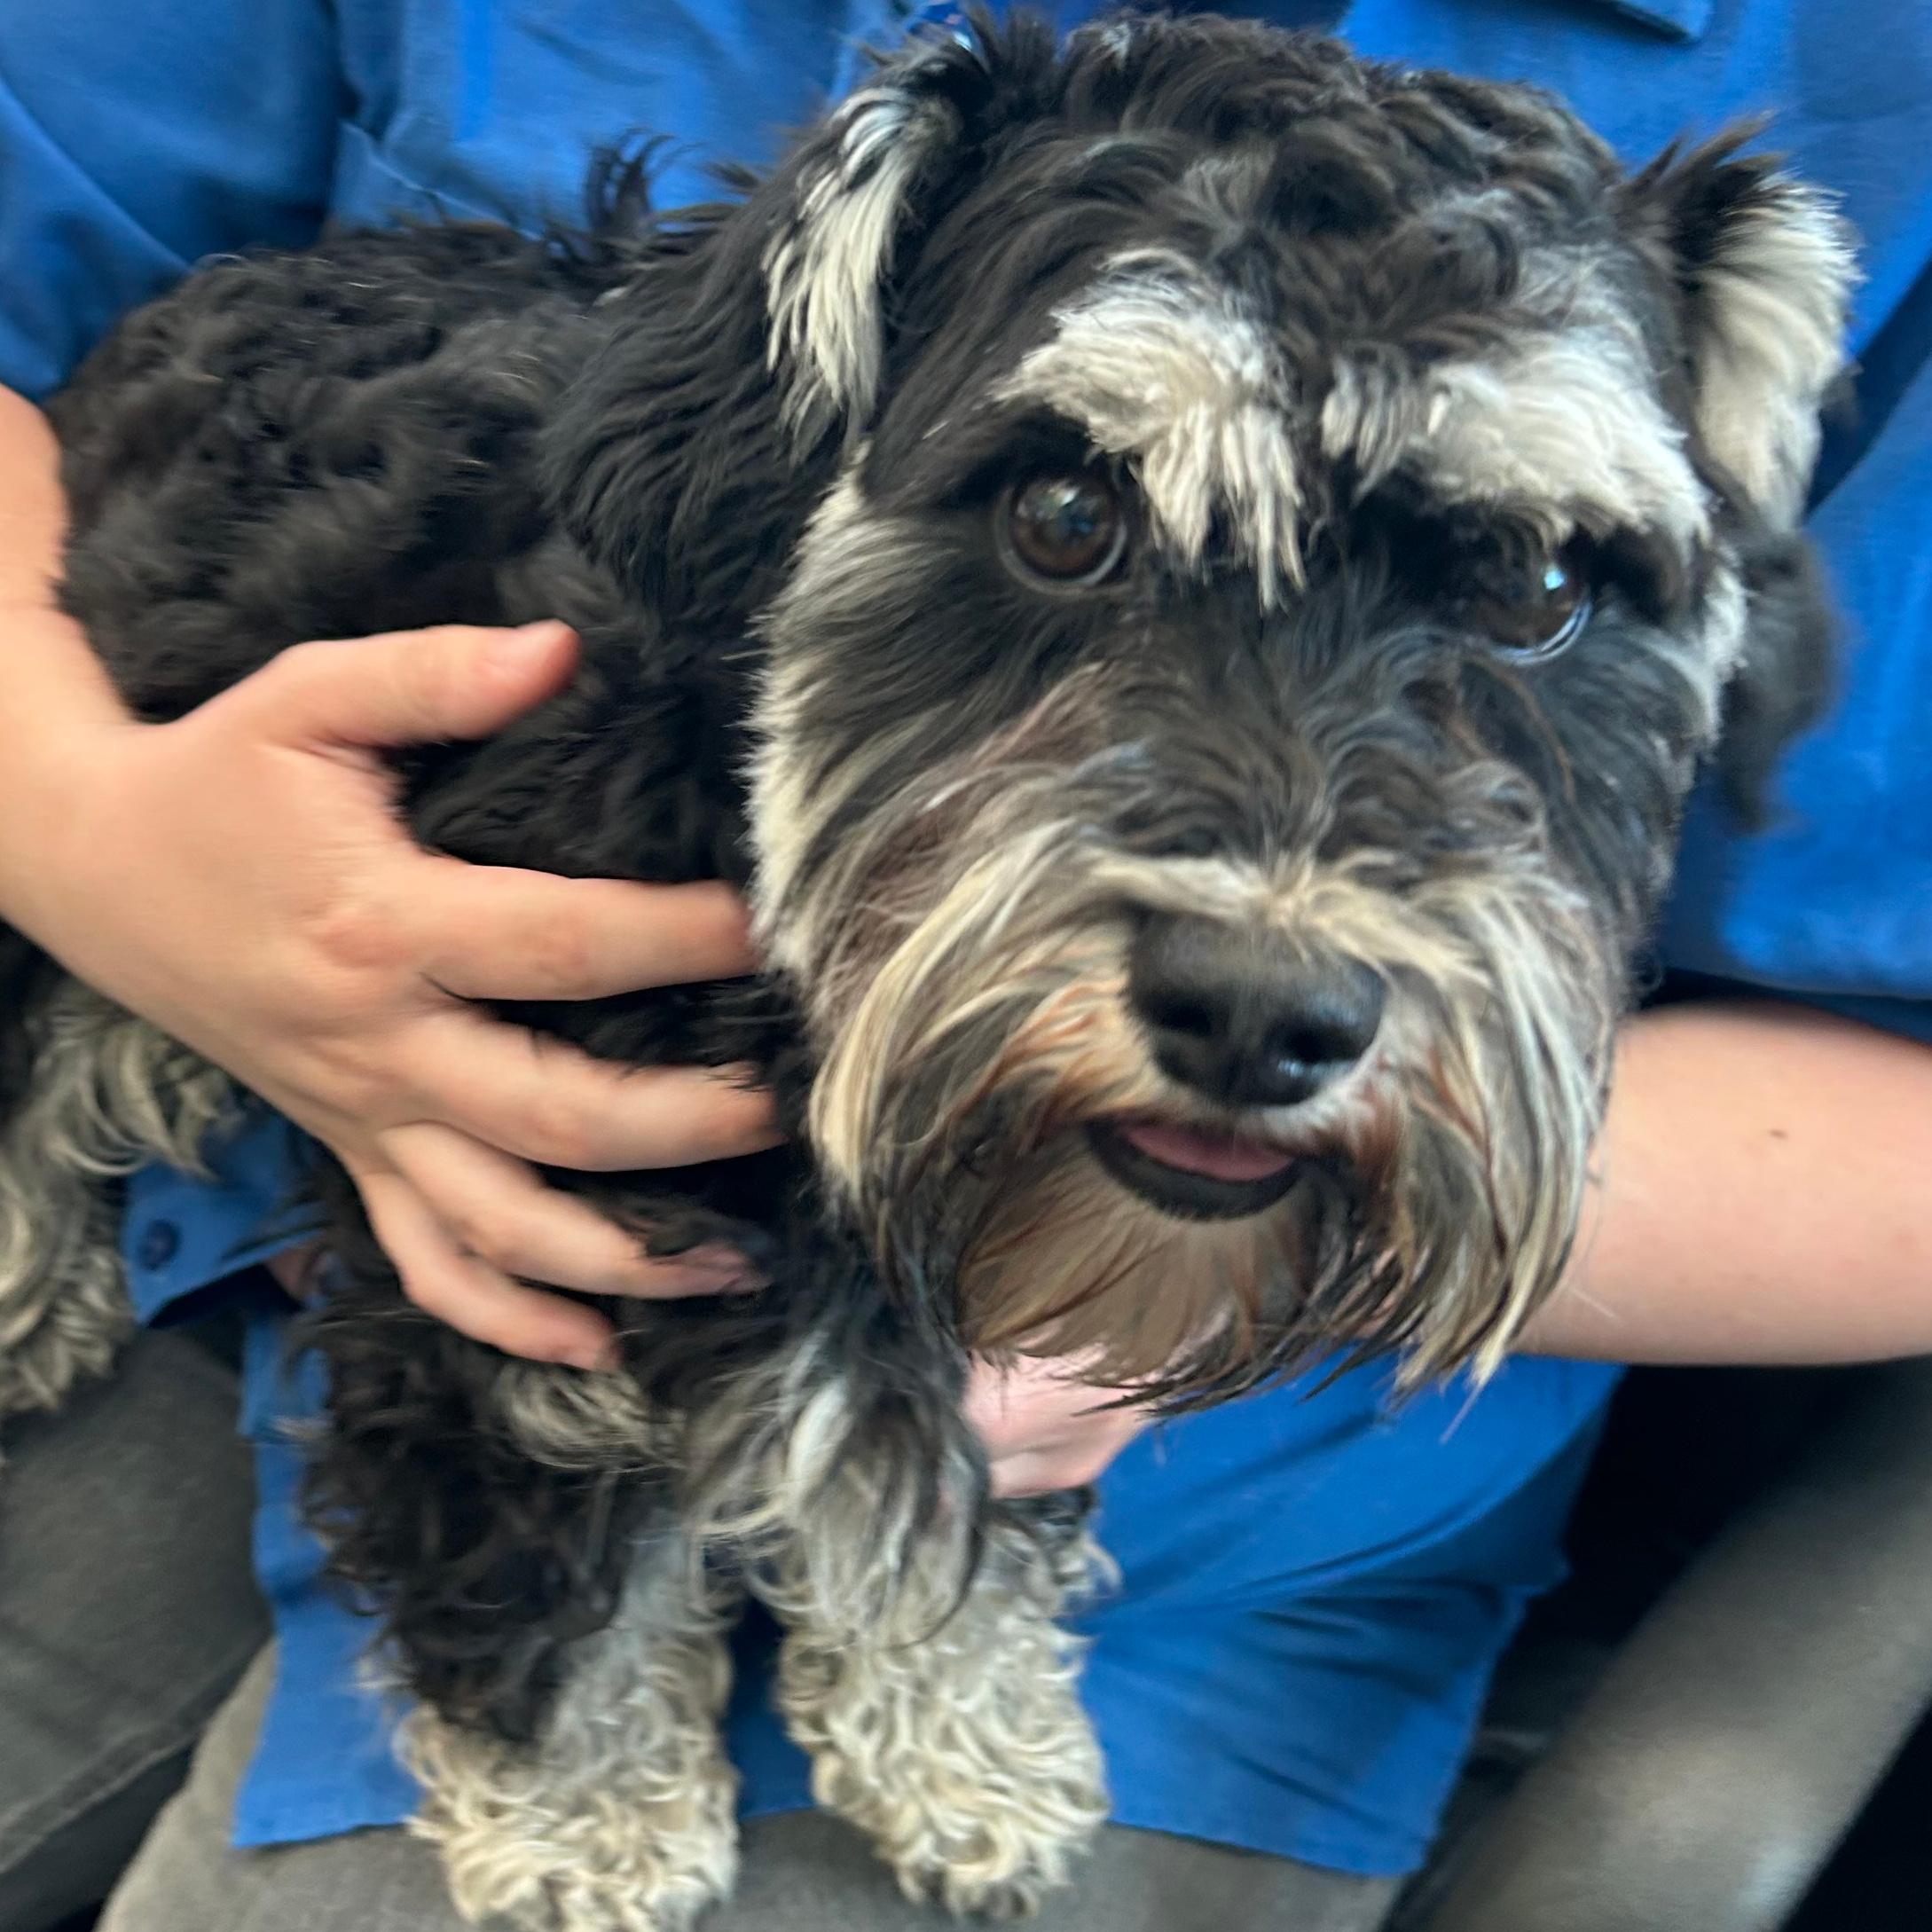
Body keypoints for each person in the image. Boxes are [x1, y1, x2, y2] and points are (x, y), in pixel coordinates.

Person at [0, 3, 1927, 1928]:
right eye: (1068, 519)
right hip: (331, 1178)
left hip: (1247, 1516)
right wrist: (88, 837)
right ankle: (556, 1742)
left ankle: (934, 1661)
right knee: (498, 1429)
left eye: (1524, 587)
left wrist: (1247, 1269)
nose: (1274, 942)